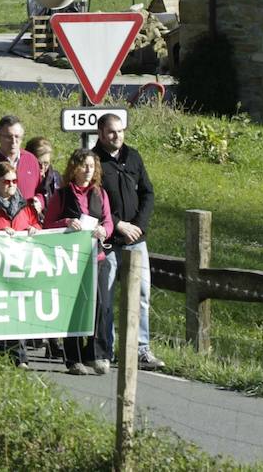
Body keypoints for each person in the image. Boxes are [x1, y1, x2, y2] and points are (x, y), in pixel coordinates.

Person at [95, 113, 164, 370]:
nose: (117, 136)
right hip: (110, 241)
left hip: (136, 241)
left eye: (121, 131)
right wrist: (118, 224)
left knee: (142, 295)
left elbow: (148, 192)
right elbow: (93, 201)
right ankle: (107, 348)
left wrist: (138, 225)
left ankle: (140, 349)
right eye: (112, 132)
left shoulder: (133, 156)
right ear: (101, 133)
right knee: (107, 296)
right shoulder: (94, 161)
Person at [44, 148, 114, 375]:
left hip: (97, 257)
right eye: (83, 166)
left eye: (91, 167)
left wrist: (104, 230)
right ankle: (73, 358)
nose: (87, 171)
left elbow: (109, 221)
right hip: (71, 261)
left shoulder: (100, 194)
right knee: (73, 308)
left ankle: (96, 354)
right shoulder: (62, 195)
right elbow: (48, 224)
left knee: (101, 305)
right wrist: (65, 222)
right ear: (73, 168)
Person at [0, 162, 41, 369]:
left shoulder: (25, 206)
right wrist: (0, 234)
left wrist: (33, 228)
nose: (11, 185)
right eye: (6, 181)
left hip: (19, 267)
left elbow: (36, 224)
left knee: (18, 309)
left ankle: (19, 356)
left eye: (14, 181)